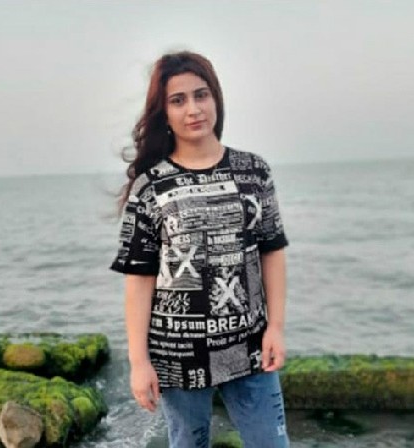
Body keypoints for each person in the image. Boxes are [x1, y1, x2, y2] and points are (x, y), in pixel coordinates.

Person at [110, 51, 290, 448]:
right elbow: (139, 279)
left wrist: (276, 327)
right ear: (165, 113)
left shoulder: (253, 171)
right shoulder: (150, 186)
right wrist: (139, 362)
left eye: (201, 95)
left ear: (216, 98)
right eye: (178, 100)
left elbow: (272, 251)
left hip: (250, 347)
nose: (193, 109)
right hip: (178, 355)